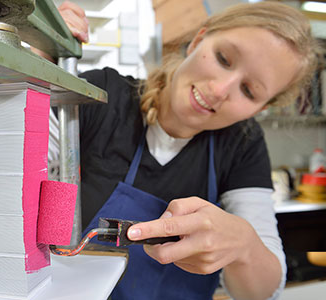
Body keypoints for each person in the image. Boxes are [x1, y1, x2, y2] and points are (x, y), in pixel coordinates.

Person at [55, 1, 322, 299]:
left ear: (261, 108)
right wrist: (32, 67)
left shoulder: (241, 144)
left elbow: (259, 293)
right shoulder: (102, 96)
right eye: (223, 58)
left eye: (249, 91)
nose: (219, 90)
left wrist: (244, 246)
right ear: (199, 39)